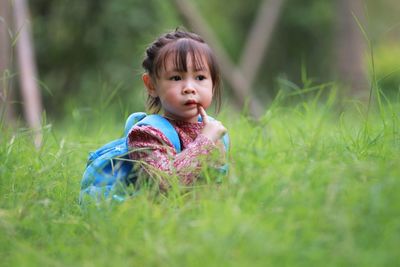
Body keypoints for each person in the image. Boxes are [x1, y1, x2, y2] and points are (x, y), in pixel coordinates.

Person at [127, 29, 228, 191]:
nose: (189, 88)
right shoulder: (146, 134)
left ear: (213, 84)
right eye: (176, 78)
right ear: (151, 85)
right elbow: (166, 184)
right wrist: (205, 141)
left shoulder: (216, 132)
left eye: (200, 77)